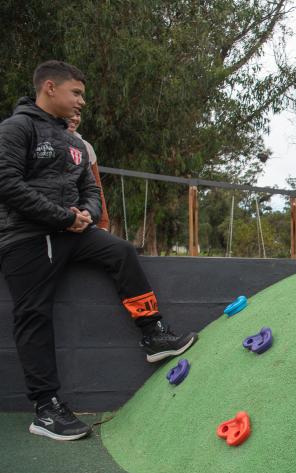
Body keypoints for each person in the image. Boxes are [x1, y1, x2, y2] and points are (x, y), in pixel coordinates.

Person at [0, 61, 197, 442]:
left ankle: (153, 333)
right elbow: (6, 183)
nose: (81, 102)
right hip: (25, 237)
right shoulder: (16, 128)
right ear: (50, 88)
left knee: (120, 251)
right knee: (33, 315)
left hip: (73, 231)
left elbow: (90, 189)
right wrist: (60, 217)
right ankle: (46, 408)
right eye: (76, 93)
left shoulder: (75, 144)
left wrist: (86, 214)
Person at [66, 112, 109, 230]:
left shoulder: (86, 147)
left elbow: (96, 187)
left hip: (84, 216)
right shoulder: (44, 140)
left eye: (78, 114)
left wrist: (103, 223)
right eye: (71, 114)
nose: (74, 118)